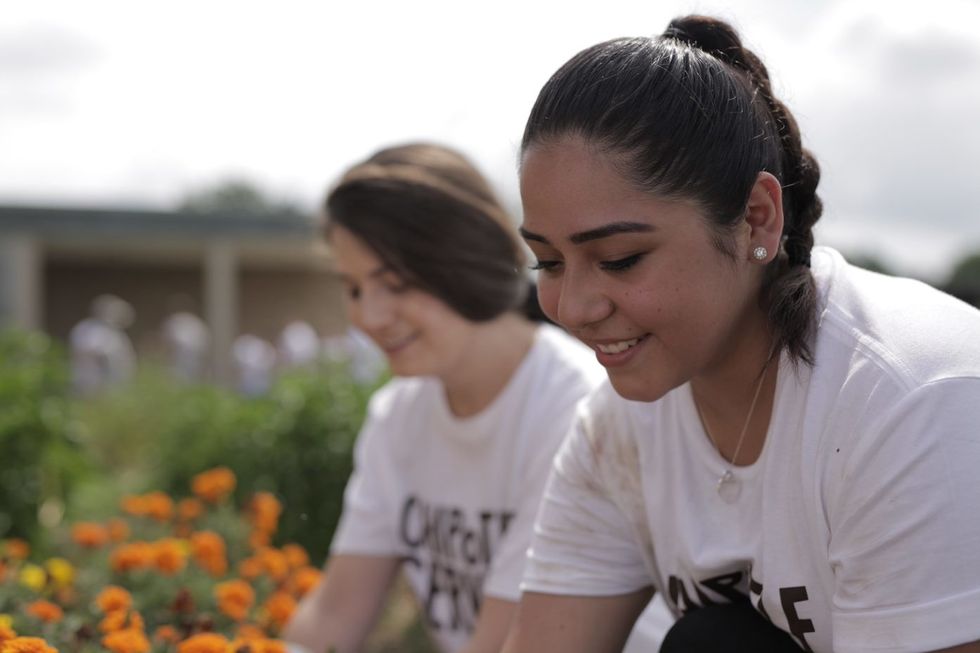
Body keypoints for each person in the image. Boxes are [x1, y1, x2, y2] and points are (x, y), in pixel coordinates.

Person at [503, 15, 980, 653]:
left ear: (757, 219)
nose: (574, 306)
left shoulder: (907, 401)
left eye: (619, 259)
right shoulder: (619, 429)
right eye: (550, 262)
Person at [282, 143, 672, 653]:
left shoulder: (570, 407)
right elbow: (334, 616)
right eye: (354, 289)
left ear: (465, 261)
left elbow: (508, 639)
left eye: (395, 283)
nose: (371, 317)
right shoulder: (399, 415)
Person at [69, 293, 137, 395]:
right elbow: (94, 352)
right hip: (93, 383)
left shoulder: (114, 331)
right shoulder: (90, 329)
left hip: (114, 385)